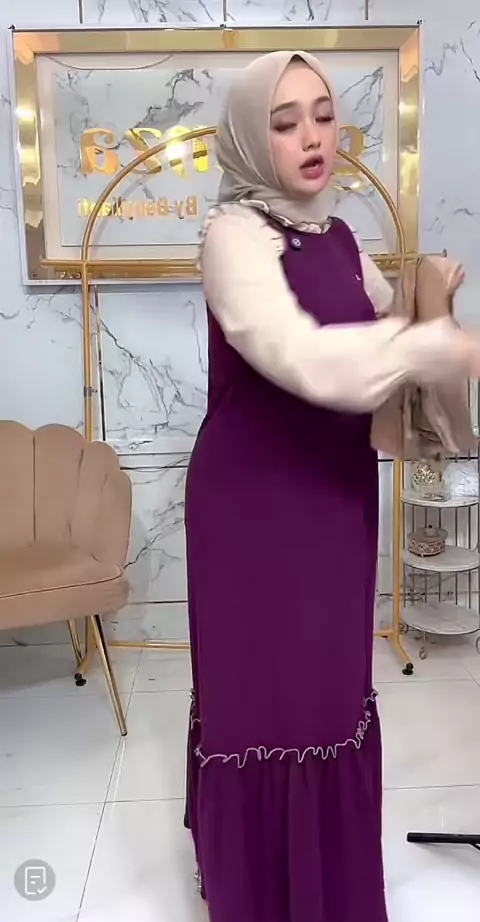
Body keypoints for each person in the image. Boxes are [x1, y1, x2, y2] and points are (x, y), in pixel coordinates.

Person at [184, 51, 480, 922]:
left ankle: (330, 891)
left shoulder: (342, 238)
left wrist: (429, 306)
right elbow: (306, 358)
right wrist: (435, 343)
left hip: (334, 501)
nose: (313, 135)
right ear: (251, 137)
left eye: (322, 113)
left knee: (328, 699)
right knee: (264, 703)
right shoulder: (233, 236)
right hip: (254, 509)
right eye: (285, 123)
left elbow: (394, 350)